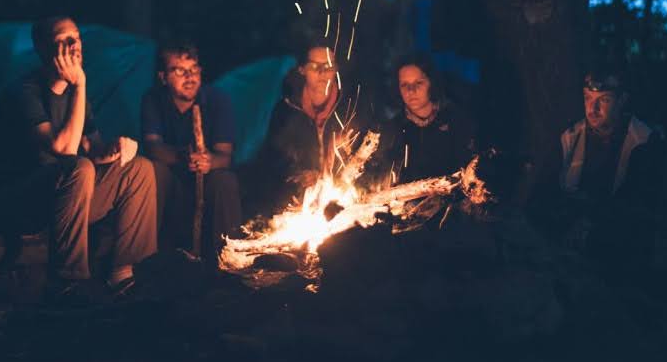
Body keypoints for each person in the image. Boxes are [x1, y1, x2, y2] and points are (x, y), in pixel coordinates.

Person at [0, 16, 157, 303]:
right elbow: (63, 149)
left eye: (77, 37)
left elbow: (91, 147)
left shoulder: (76, 97)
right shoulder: (23, 93)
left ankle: (125, 274)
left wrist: (117, 148)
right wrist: (81, 85)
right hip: (18, 202)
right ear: (43, 48)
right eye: (64, 40)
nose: (74, 45)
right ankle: (69, 282)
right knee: (78, 167)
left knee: (139, 169)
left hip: (65, 199)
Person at [531, 68, 666, 279]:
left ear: (622, 101)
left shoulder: (643, 141)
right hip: (567, 234)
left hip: (617, 248)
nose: (592, 109)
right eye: (587, 98)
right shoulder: (570, 137)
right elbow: (543, 190)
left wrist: (594, 223)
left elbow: (640, 204)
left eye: (603, 100)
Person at [140, 42, 241, 258]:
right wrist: (182, 157)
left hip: (207, 178)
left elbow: (225, 155)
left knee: (225, 180)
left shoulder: (217, 100)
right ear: (163, 76)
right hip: (173, 177)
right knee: (151, 171)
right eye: (180, 70)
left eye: (194, 69)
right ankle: (147, 256)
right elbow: (152, 146)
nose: (190, 77)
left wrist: (208, 161)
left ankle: (227, 258)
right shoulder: (153, 99)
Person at [251, 41, 350, 214]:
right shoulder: (286, 110)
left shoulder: (349, 108)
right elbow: (275, 158)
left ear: (336, 69)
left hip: (342, 194)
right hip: (298, 198)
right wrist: (300, 173)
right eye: (314, 66)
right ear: (302, 70)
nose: (322, 72)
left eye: (328, 66)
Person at [370, 55, 477, 186]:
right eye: (404, 85)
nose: (411, 90)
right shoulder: (392, 130)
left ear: (431, 83)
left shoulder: (456, 120)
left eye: (418, 83)